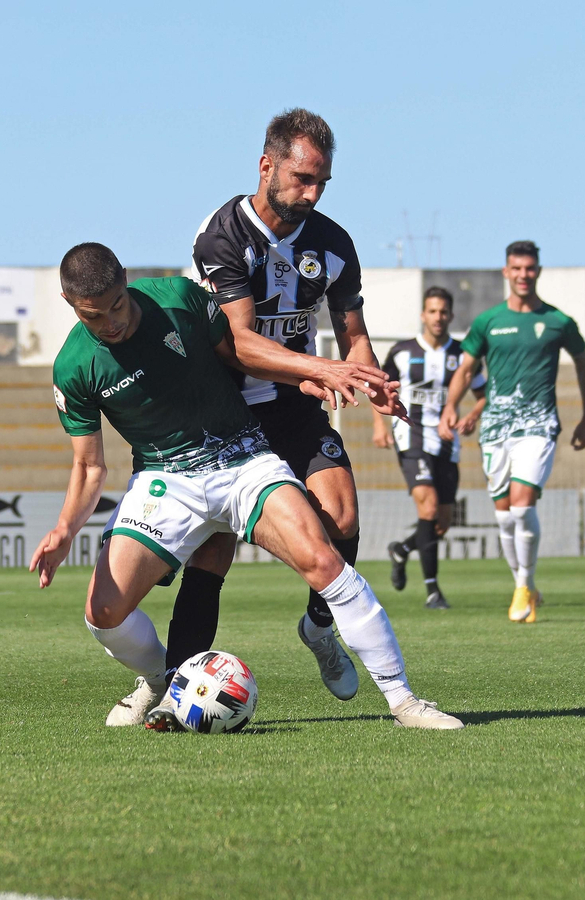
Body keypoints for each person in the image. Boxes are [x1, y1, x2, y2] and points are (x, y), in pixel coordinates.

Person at [30, 242, 461, 731]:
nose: (111, 323)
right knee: (103, 612)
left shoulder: (178, 299)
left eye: (117, 306)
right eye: (93, 315)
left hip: (242, 457)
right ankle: (160, 680)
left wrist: (304, 375)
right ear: (69, 302)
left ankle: (404, 702)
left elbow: (239, 352)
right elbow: (89, 466)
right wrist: (64, 530)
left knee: (324, 562)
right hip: (165, 478)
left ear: (126, 280)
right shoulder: (74, 366)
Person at [165, 108, 385, 701]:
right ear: (267, 166)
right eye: (302, 179)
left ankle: (319, 628)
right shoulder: (222, 235)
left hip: (293, 402)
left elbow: (353, 334)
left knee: (342, 516)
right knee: (213, 550)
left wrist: (370, 379)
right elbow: (239, 343)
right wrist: (321, 368)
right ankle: (169, 685)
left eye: (322, 183)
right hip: (226, 415)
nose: (312, 194)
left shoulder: (333, 243)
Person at [442, 241, 585, 623]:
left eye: (529, 268)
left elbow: (583, 364)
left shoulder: (558, 321)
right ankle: (524, 585)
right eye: (517, 268)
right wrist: (450, 406)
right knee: (505, 517)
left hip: (539, 424)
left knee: (523, 505)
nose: (523, 275)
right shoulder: (488, 321)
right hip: (496, 425)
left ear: (538, 271)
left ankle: (524, 585)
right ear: (506, 272)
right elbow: (465, 369)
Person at [373, 286, 486, 609]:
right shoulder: (403, 351)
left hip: (447, 440)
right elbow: (378, 388)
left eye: (443, 311)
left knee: (442, 523)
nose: (438, 317)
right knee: (428, 506)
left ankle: (402, 549)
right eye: (432, 311)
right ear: (423, 315)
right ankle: (433, 591)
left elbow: (483, 395)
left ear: (451, 316)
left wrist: (472, 416)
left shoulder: (463, 355)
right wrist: (380, 425)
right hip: (411, 434)